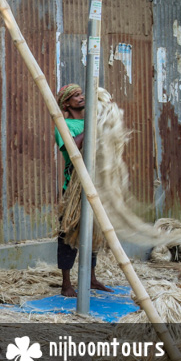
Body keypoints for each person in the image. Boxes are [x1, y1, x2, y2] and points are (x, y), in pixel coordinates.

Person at [55, 83, 113, 297]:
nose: (81, 97)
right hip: (74, 189)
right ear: (66, 103)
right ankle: (66, 284)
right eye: (75, 96)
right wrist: (91, 128)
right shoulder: (64, 125)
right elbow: (72, 148)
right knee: (68, 234)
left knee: (93, 232)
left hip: (95, 184)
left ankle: (91, 278)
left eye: (81, 94)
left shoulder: (90, 121)